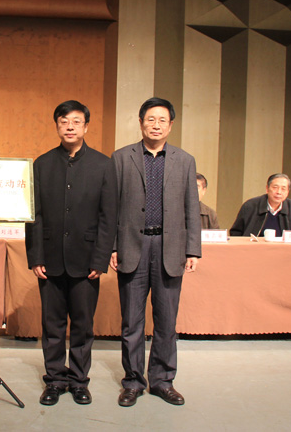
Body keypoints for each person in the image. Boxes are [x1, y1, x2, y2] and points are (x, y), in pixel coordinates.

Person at [109, 97, 201, 408]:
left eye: (162, 120)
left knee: (166, 321)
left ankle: (162, 381)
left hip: (169, 248)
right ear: (140, 123)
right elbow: (112, 207)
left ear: (170, 125)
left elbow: (191, 208)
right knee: (131, 321)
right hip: (132, 247)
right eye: (150, 119)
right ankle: (133, 381)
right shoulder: (121, 158)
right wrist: (113, 246)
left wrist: (193, 250)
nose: (156, 125)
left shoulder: (184, 161)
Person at [26, 100, 117, 407]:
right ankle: (54, 380)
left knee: (82, 325)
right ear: (57, 126)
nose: (70, 127)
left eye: (76, 121)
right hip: (49, 259)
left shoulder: (103, 165)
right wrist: (36, 256)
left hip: (87, 259)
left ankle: (79, 381)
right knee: (52, 326)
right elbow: (34, 215)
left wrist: (100, 259)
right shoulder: (42, 164)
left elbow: (108, 217)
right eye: (64, 121)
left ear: (86, 127)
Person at [229, 173, 291, 237]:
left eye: (283, 189)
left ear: (288, 192)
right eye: (275, 187)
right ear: (267, 189)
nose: (279, 192)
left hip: (284, 249)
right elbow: (236, 233)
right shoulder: (250, 206)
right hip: (255, 249)